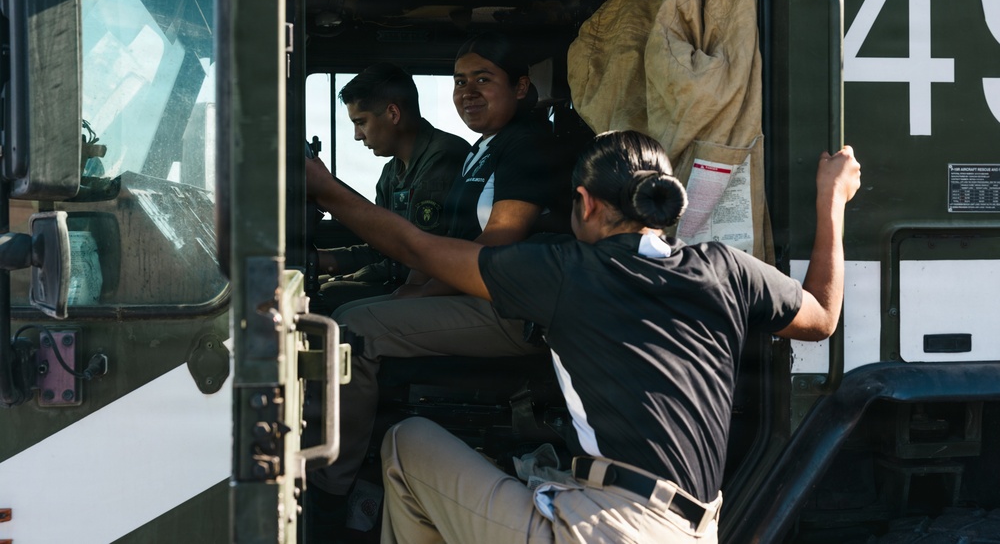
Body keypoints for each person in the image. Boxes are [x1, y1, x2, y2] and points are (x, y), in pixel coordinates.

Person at [306, 129, 861, 543]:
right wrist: (830, 202)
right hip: (694, 531)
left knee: (405, 444)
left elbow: (417, 250)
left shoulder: (567, 270)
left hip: (607, 531)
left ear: (587, 202)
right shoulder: (727, 268)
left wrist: (323, 186)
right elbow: (822, 318)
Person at [307, 34, 566, 516]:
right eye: (459, 81)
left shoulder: (529, 146)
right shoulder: (483, 150)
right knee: (339, 315)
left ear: (522, 86)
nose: (467, 91)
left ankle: (330, 490)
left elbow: (494, 251)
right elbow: (457, 239)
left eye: (483, 80)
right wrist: (416, 289)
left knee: (352, 332)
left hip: (512, 307)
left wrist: (417, 291)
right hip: (480, 293)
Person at [313, 62, 469, 312]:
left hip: (436, 287)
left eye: (361, 122)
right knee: (316, 288)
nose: (357, 135)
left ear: (393, 114)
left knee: (327, 301)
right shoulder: (391, 172)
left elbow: (423, 255)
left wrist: (363, 278)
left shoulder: (444, 157)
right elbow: (383, 247)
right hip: (402, 278)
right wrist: (320, 260)